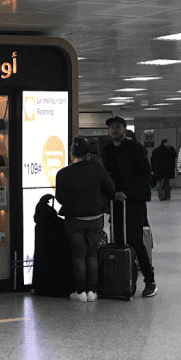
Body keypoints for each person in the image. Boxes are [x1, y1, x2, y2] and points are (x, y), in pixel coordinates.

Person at [102, 117, 156, 298]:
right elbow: (107, 175)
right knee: (117, 241)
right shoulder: (108, 150)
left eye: (117, 127)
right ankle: (122, 279)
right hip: (116, 202)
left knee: (135, 240)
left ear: (125, 129)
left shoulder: (135, 148)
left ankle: (150, 281)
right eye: (111, 128)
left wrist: (126, 192)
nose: (114, 130)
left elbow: (145, 175)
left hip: (134, 201)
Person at [56, 137, 115, 302]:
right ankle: (93, 291)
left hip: (74, 219)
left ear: (71, 153)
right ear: (88, 154)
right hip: (96, 216)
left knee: (78, 255)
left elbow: (59, 198)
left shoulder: (63, 173)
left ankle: (80, 291)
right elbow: (111, 187)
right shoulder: (97, 168)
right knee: (92, 254)